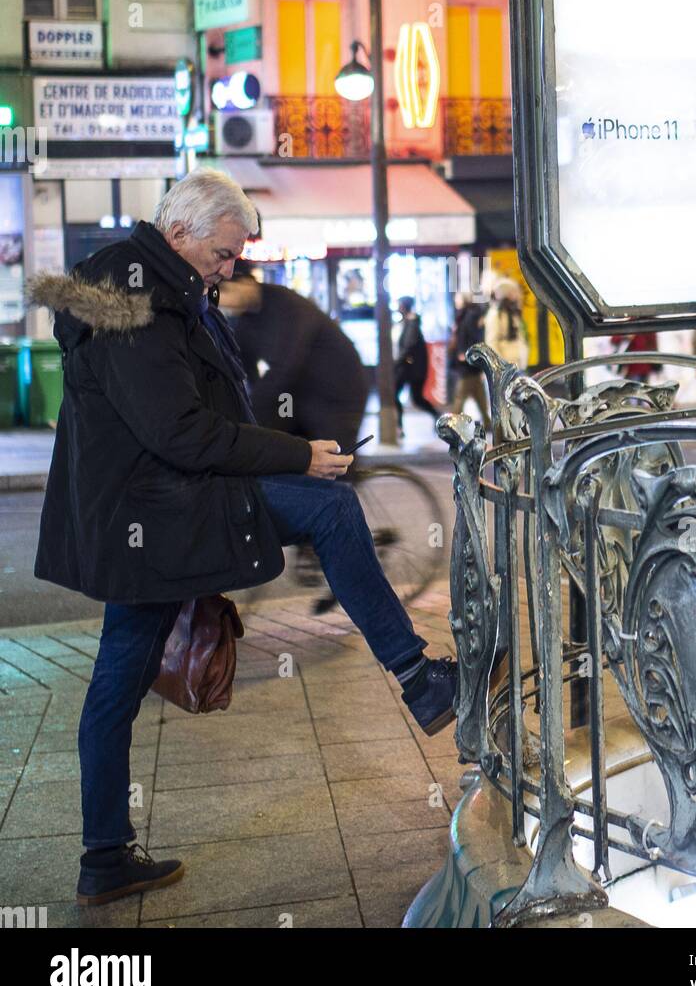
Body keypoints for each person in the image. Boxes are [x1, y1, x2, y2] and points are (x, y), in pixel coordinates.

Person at [28, 168, 457, 908]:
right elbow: (180, 431)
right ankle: (418, 680)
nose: (233, 268)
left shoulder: (161, 286)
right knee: (327, 511)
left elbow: (204, 404)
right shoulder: (137, 303)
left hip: (154, 506)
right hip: (155, 510)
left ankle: (104, 856)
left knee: (117, 679)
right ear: (181, 231)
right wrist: (298, 455)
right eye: (225, 253)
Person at [219, 261, 368, 458]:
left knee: (331, 459)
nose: (221, 300)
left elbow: (285, 367)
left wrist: (254, 410)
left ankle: (343, 485)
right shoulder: (244, 320)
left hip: (338, 391)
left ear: (246, 283)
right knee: (282, 442)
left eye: (224, 291)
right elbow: (243, 368)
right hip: (296, 393)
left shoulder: (286, 304)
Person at [394, 295, 439, 435]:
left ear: (404, 307)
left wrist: (396, 363)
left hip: (411, 369)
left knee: (415, 398)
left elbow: (408, 346)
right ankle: (399, 426)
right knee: (411, 397)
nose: (398, 309)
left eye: (399, 305)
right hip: (409, 368)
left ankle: (438, 417)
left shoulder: (412, 324)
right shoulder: (408, 322)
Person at [450, 292, 490, 429]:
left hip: (467, 364)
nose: (456, 300)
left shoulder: (469, 316)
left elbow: (472, 338)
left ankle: (451, 424)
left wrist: (464, 353)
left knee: (460, 396)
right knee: (479, 395)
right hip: (469, 365)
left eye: (458, 297)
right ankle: (489, 423)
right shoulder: (464, 315)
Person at [484, 279, 529, 371]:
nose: (518, 295)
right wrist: (502, 366)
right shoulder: (495, 314)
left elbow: (520, 337)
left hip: (517, 364)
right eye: (514, 292)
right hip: (506, 368)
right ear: (507, 293)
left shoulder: (513, 312)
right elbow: (492, 342)